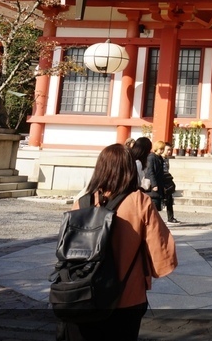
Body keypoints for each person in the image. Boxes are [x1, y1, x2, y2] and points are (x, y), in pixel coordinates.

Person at [60, 143, 177, 341]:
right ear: (130, 169)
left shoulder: (82, 202)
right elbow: (162, 253)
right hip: (126, 294)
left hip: (82, 292)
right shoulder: (139, 201)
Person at [160, 142, 180, 224]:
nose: (169, 152)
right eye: (167, 150)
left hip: (167, 180)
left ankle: (170, 218)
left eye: (170, 150)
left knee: (169, 199)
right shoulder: (159, 159)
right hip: (161, 180)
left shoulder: (166, 159)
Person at [144, 140, 166, 212]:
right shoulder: (151, 157)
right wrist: (154, 184)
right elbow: (150, 171)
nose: (162, 151)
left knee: (156, 206)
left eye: (163, 149)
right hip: (152, 184)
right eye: (161, 149)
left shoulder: (160, 158)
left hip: (159, 183)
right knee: (153, 204)